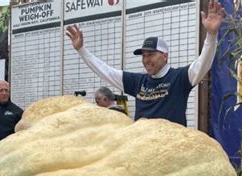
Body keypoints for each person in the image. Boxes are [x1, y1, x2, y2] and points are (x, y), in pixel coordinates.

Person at [66, 0, 225, 126]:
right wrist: (81, 50)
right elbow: (104, 70)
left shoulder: (179, 78)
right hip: (142, 151)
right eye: (143, 55)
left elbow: (203, 63)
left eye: (151, 54)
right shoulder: (137, 82)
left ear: (165, 56)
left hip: (171, 151)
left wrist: (211, 35)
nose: (146, 60)